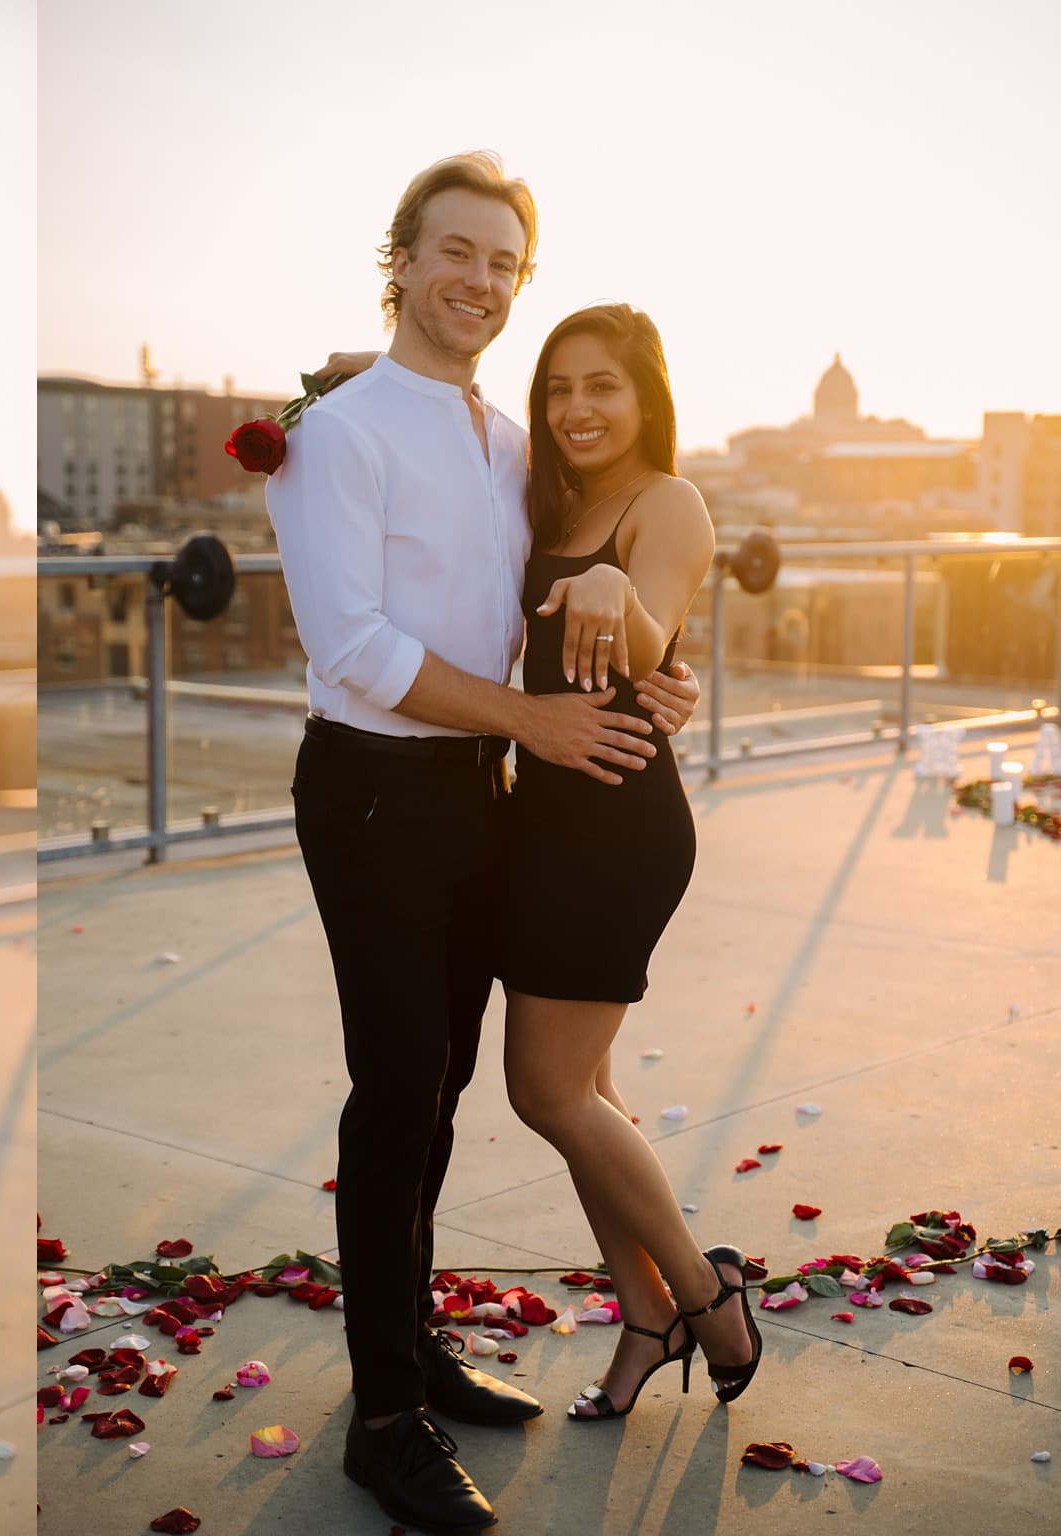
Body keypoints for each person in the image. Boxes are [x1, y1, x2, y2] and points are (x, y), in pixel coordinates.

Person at [264, 151, 702, 1533]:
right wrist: (534, 718)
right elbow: (356, 647)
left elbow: (555, 600)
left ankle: (413, 1344)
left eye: (503, 262)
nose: (478, 282)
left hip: (479, 799)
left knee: (443, 1084)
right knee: (397, 1094)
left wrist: (650, 667)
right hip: (377, 796)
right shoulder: (338, 436)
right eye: (454, 252)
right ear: (401, 259)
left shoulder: (503, 442)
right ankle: (382, 1420)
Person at [496, 303, 758, 1421]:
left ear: (645, 396)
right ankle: (643, 1318)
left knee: (543, 1089)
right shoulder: (553, 496)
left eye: (600, 386)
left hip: (615, 821)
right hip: (539, 818)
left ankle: (705, 1293)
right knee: (584, 1094)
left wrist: (617, 597)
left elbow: (654, 633)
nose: (574, 409)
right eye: (557, 388)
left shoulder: (669, 502)